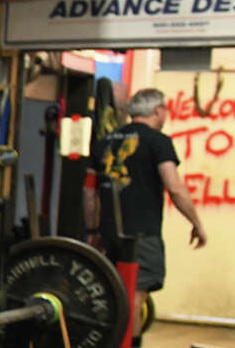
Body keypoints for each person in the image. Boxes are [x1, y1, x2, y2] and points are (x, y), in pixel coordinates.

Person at [88, 86, 208, 318]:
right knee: (135, 295)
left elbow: (88, 192)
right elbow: (174, 187)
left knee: (112, 293)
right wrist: (196, 223)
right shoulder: (158, 142)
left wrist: (93, 229)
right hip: (142, 236)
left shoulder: (104, 143)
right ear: (158, 111)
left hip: (109, 233)